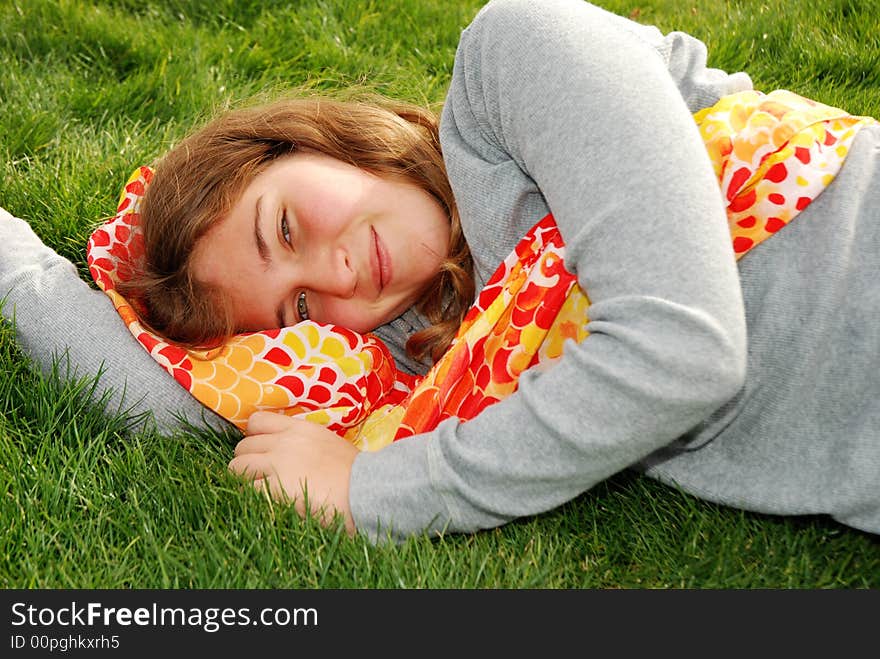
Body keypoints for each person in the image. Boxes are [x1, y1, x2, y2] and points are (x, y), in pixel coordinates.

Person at [1, 0, 877, 542]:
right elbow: (186, 399)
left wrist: (374, 489)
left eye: (288, 224)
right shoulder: (427, 362)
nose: (336, 273)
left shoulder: (521, 53)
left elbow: (682, 351)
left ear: (319, 141)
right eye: (300, 303)